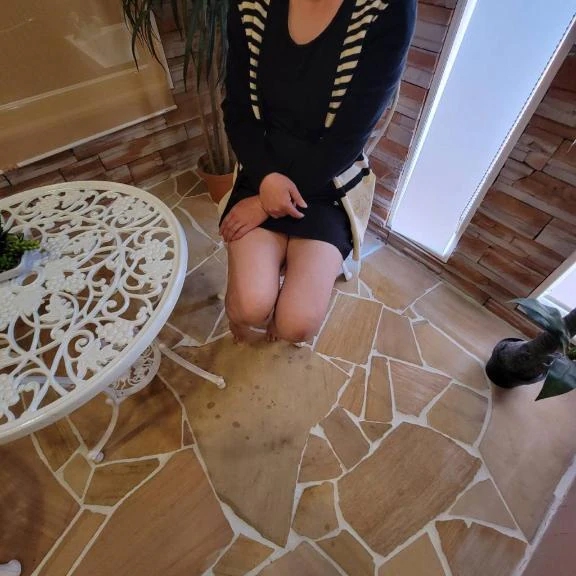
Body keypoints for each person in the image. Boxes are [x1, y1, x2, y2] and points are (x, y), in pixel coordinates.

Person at [219, 0, 416, 343]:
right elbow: (237, 109)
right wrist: (265, 180)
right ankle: (245, 295)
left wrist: (266, 204)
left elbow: (350, 136)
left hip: (327, 180)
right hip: (264, 167)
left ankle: (277, 287)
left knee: (297, 325)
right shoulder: (251, 4)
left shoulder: (389, 7)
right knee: (250, 306)